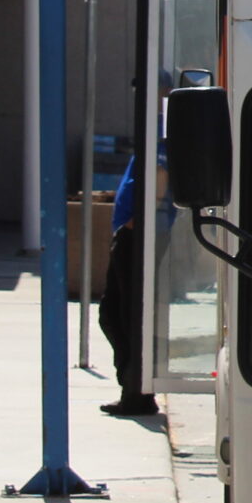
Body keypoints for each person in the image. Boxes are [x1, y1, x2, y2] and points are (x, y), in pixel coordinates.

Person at [98, 151, 157, 416]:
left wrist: (136, 223)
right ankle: (135, 388)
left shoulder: (161, 143)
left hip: (136, 237)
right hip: (129, 234)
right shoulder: (152, 138)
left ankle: (135, 391)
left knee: (126, 317)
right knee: (112, 315)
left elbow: (161, 182)